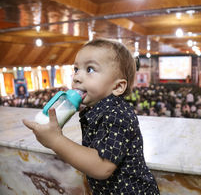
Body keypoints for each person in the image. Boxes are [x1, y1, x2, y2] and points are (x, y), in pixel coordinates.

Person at [23, 38, 160, 194]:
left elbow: (102, 167)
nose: (76, 77)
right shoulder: (96, 110)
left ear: (118, 86)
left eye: (90, 69)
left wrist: (55, 140)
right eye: (76, 69)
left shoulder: (117, 114)